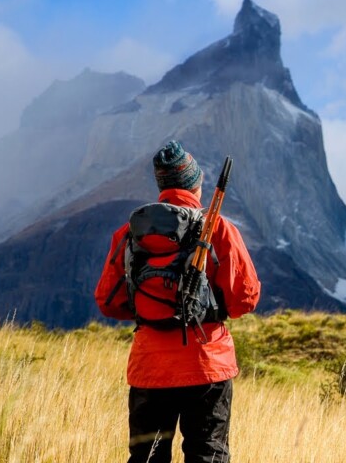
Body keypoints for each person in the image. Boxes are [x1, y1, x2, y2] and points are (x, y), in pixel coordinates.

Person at [94, 140, 261, 463]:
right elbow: (245, 298)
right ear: (195, 185)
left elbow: (107, 301)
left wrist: (154, 309)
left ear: (162, 187)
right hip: (207, 364)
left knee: (147, 458)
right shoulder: (219, 229)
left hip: (150, 367)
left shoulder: (128, 234)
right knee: (207, 455)